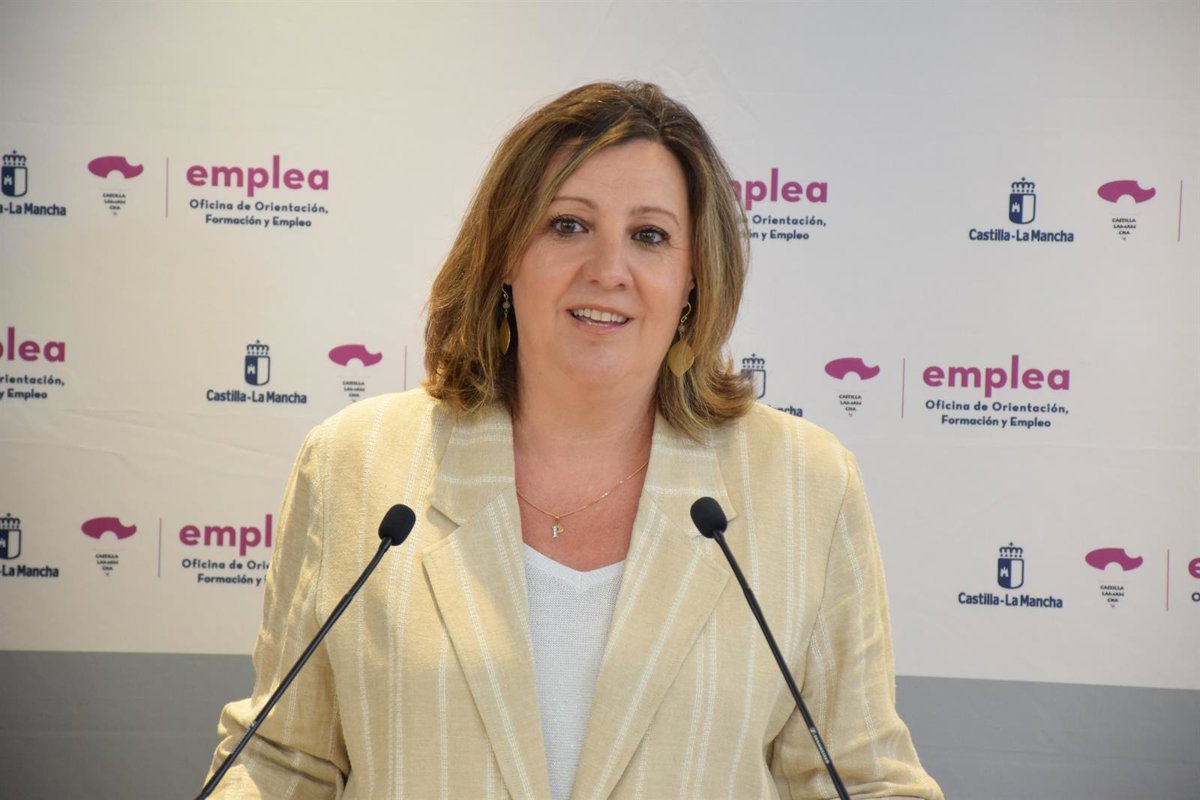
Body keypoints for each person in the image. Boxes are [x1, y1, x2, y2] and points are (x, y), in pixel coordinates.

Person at [204, 81, 944, 800]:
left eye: (650, 236)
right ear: (505, 253)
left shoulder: (804, 484)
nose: (608, 270)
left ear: (693, 278)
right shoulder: (356, 464)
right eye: (568, 225)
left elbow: (862, 779)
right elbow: (280, 763)